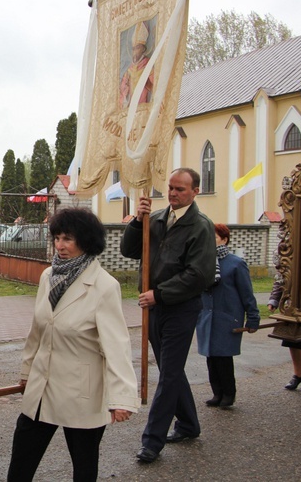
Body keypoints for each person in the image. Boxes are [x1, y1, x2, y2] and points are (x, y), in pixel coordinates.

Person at [7, 207, 139, 482]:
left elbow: (117, 346)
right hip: (42, 386)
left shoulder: (104, 286)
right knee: (21, 461)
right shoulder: (48, 276)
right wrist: (26, 372)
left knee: (84, 465)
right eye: (56, 238)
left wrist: (122, 398)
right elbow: (38, 330)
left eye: (68, 239)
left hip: (81, 391)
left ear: (86, 240)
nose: (60, 245)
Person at [120, 167, 216, 464]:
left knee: (169, 374)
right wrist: (138, 220)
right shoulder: (157, 218)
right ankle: (188, 424)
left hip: (180, 309)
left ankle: (152, 441)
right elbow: (128, 250)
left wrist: (160, 293)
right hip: (154, 309)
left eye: (181, 189)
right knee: (170, 370)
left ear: (195, 191)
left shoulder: (201, 226)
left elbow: (199, 275)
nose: (174, 193)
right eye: (171, 188)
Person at [196, 224, 260, 409]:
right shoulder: (203, 261)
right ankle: (216, 393)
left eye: (214, 237)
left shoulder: (235, 263)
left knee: (223, 357)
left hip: (226, 317)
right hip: (206, 317)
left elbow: (247, 293)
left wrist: (253, 317)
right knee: (210, 357)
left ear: (224, 239)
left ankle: (228, 394)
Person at [120, 20, 154, 108]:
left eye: (137, 48)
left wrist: (148, 85)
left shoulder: (148, 65)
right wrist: (125, 88)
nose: (135, 52)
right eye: (134, 49)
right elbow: (122, 92)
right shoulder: (129, 70)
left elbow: (156, 87)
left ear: (143, 49)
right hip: (130, 106)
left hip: (142, 108)